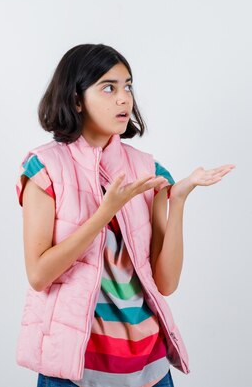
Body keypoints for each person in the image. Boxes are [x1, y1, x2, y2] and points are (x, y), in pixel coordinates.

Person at [15, 43, 235, 387]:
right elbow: (39, 275)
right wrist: (104, 214)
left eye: (127, 86)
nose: (124, 99)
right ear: (75, 99)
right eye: (108, 87)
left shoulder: (147, 170)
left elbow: (166, 283)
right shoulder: (45, 169)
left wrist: (177, 202)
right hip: (74, 370)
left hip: (149, 368)